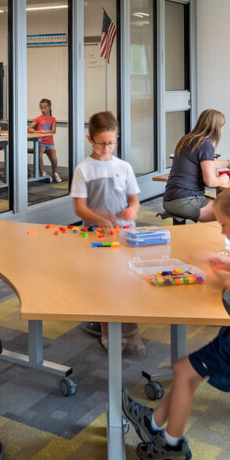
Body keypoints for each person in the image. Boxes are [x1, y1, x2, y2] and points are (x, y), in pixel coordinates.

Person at [121, 184, 230, 460]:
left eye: (224, 226)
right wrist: (223, 265)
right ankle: (152, 421)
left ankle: (172, 444)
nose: (223, 232)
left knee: (182, 369)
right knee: (189, 373)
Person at [71, 111, 144, 355]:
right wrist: (100, 219)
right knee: (103, 284)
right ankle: (106, 332)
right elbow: (79, 207)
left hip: (124, 234)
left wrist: (132, 210)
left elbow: (134, 200)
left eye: (111, 142)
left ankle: (130, 331)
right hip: (95, 236)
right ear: (89, 139)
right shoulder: (84, 169)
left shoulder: (124, 167)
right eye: (101, 143)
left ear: (117, 139)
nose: (106, 148)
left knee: (127, 282)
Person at [163, 109, 225, 222]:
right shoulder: (205, 144)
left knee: (220, 205)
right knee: (228, 213)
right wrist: (221, 179)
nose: (222, 130)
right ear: (216, 128)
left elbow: (209, 162)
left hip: (169, 199)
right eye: (222, 126)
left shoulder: (186, 140)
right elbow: (210, 182)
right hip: (185, 200)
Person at [27, 97, 60, 182]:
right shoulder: (38, 118)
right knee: (40, 154)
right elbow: (29, 128)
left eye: (44, 108)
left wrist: (45, 132)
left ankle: (55, 173)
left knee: (54, 157)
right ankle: (42, 172)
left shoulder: (53, 119)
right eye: (41, 108)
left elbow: (53, 130)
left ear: (49, 108)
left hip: (49, 143)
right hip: (41, 141)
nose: (42, 110)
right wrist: (34, 130)